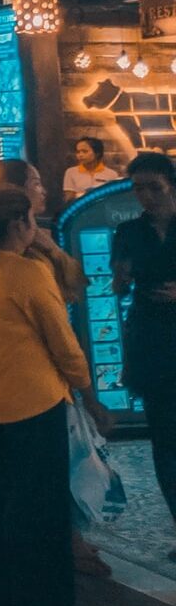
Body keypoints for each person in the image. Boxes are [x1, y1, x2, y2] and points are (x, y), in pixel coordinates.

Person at [0, 185, 89, 606]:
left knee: (7, 511)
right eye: (32, 216)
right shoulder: (27, 275)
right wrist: (88, 390)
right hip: (35, 405)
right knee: (46, 517)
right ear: (19, 225)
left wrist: (46, 248)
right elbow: (64, 343)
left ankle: (12, 603)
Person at [114, 150, 176, 562]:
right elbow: (119, 285)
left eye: (154, 187)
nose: (146, 197)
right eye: (138, 189)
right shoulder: (129, 232)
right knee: (166, 439)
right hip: (153, 341)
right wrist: (121, 278)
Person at [62, 136, 120, 201]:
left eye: (85, 151)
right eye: (78, 152)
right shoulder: (71, 172)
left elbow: (114, 198)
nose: (80, 155)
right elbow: (69, 199)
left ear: (97, 153)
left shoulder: (111, 174)